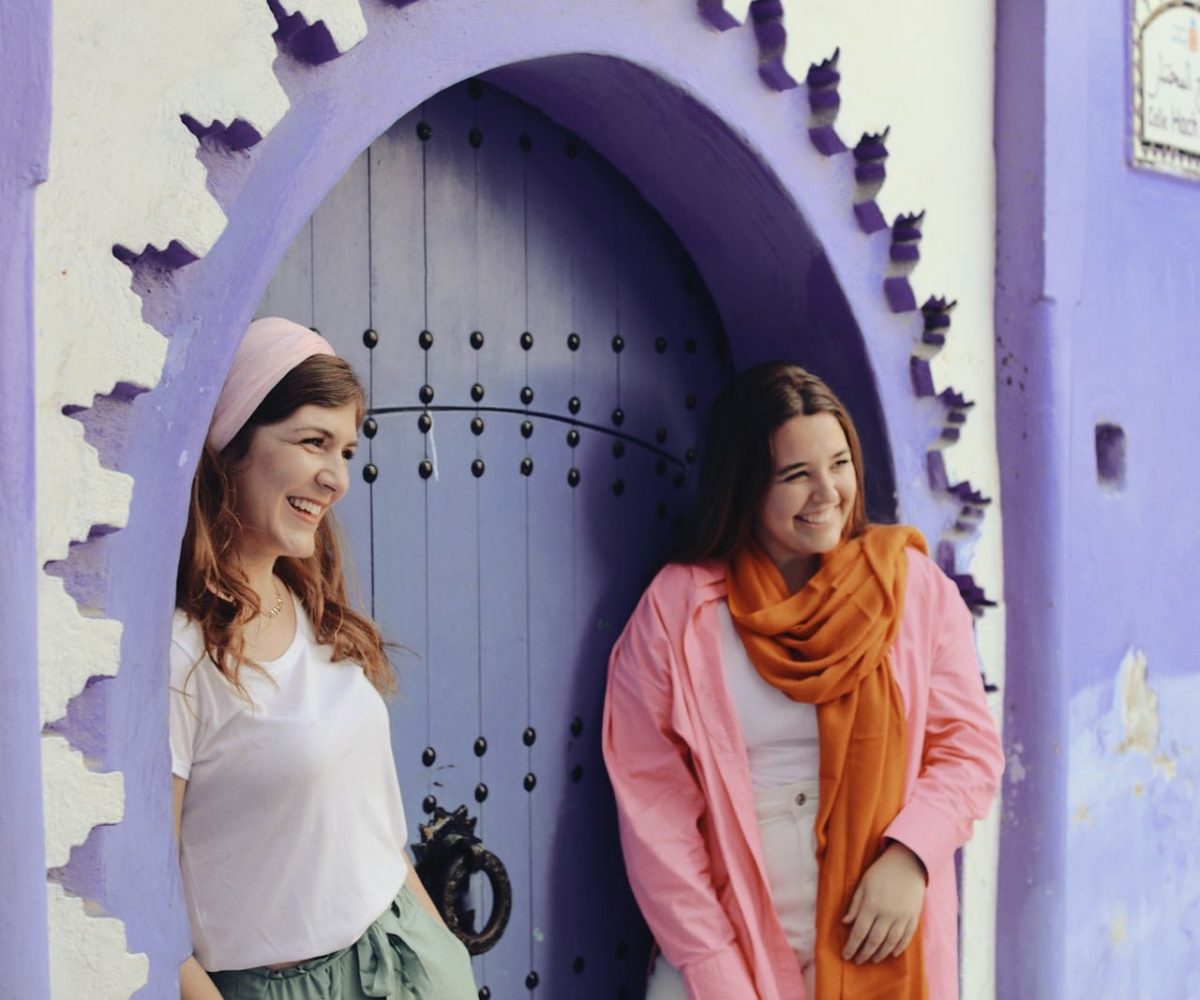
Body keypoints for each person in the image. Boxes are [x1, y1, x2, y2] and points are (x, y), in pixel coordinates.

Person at [602, 362, 1004, 1000]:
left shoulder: (911, 589)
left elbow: (968, 749)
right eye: (796, 475)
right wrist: (716, 970)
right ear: (745, 486)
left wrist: (912, 855)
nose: (829, 494)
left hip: (878, 933)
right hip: (733, 942)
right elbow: (656, 810)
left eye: (839, 464)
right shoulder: (678, 610)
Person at [170, 317, 478, 1000]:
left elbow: (375, 836)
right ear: (234, 441)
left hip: (404, 952)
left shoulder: (313, 610)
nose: (335, 477)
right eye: (314, 441)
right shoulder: (184, 655)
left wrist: (447, 961)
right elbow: (147, 900)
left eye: (344, 450)